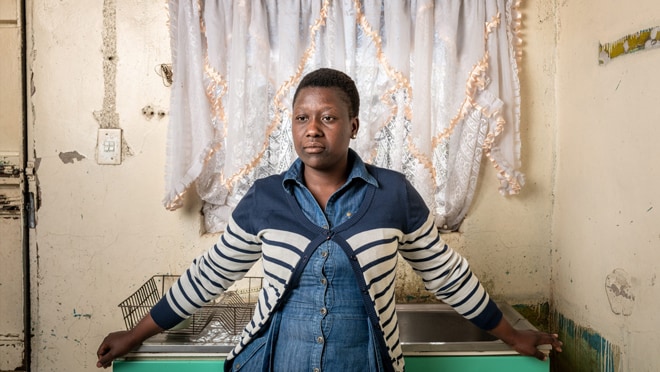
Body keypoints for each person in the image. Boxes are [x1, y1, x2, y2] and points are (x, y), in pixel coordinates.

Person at [97, 68, 562, 371]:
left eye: (327, 117)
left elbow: (447, 275)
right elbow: (208, 276)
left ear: (353, 125)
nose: (312, 129)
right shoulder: (264, 199)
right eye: (301, 118)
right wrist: (135, 335)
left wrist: (512, 334)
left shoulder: (395, 194)